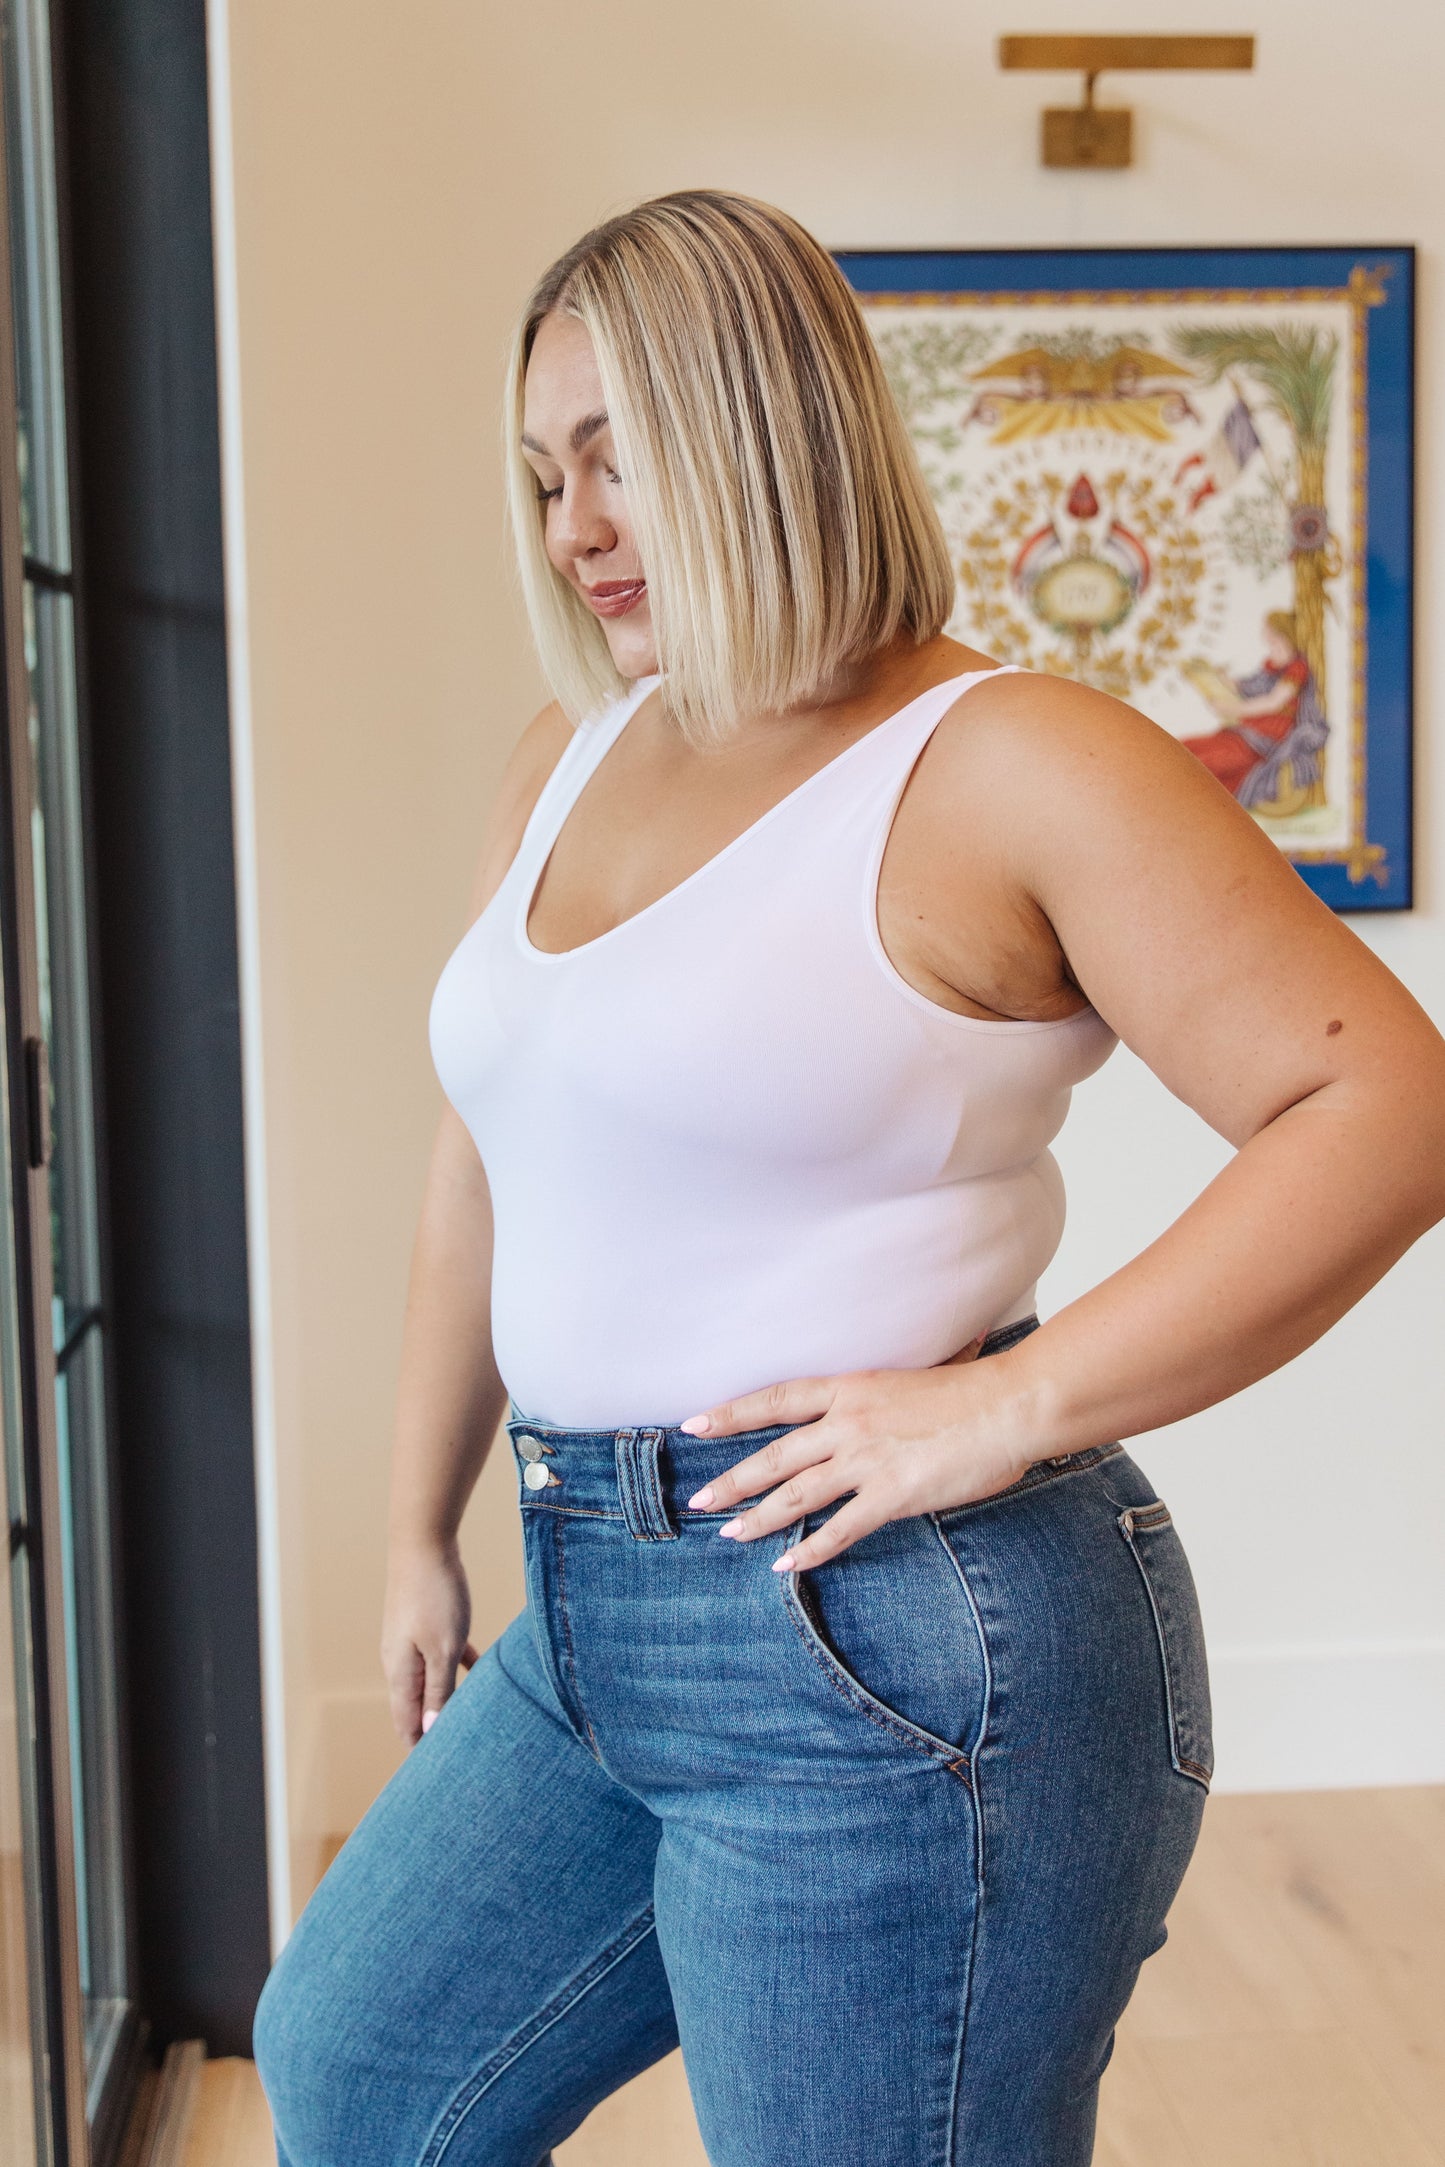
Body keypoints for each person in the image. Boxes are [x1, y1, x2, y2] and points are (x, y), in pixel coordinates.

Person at [251, 192, 1445, 2167]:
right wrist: (412, 1524)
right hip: (591, 1599)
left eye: (615, 457)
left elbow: (1381, 1103)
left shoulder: (1007, 759)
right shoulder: (566, 756)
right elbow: (486, 1154)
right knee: (361, 2067)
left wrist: (1008, 1401)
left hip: (894, 1643)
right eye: (541, 477)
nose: (572, 527)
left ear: (762, 425)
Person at [1183, 610, 1328, 812]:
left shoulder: (1297, 668)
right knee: (1186, 748)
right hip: (1245, 732)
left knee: (1206, 763)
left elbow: (1273, 702)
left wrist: (1232, 708)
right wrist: (1217, 679)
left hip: (1265, 738)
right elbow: (1248, 686)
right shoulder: (1272, 666)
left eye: (1274, 640)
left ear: (1285, 636)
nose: (1271, 646)